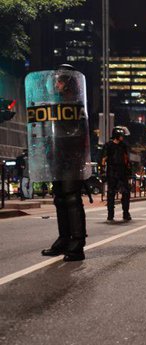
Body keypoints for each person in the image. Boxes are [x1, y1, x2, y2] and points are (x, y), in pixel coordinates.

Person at [26, 64, 90, 261]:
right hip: (57, 156)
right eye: (55, 81)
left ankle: (77, 243)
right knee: (60, 198)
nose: (56, 84)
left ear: (68, 82)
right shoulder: (54, 102)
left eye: (60, 81)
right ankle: (64, 239)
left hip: (72, 157)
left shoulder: (75, 102)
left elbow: (77, 133)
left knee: (71, 198)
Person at [101, 126, 131, 222]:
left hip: (122, 172)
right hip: (112, 171)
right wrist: (102, 171)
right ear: (116, 135)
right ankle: (110, 215)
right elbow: (104, 158)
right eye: (121, 135)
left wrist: (129, 170)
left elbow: (126, 159)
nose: (122, 137)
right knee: (111, 193)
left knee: (126, 193)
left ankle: (126, 213)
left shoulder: (124, 145)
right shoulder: (108, 145)